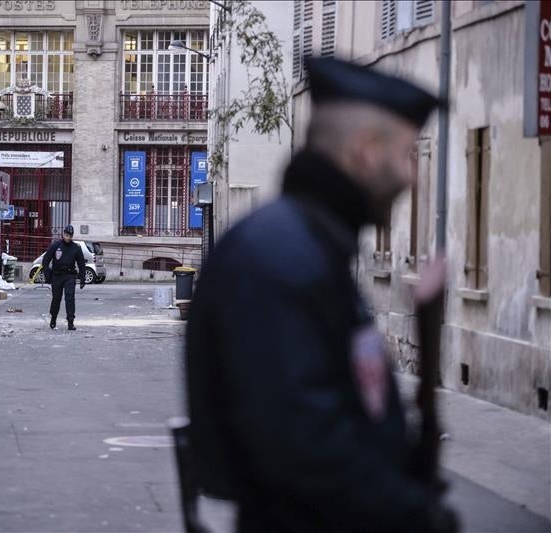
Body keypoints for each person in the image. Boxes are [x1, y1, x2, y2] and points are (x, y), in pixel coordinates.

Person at [185, 57, 458, 533]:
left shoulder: (310, 245)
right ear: (365, 151)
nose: (412, 177)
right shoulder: (279, 257)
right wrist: (416, 515)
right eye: (406, 155)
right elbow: (305, 450)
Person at [42, 225, 86, 331]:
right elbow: (46, 260)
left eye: (70, 236)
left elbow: (81, 264)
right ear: (63, 234)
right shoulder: (56, 245)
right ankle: (53, 318)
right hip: (57, 275)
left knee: (70, 297)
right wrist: (47, 275)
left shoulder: (76, 248)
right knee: (56, 298)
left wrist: (82, 278)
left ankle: (70, 322)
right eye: (66, 235)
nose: (68, 238)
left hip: (70, 276)